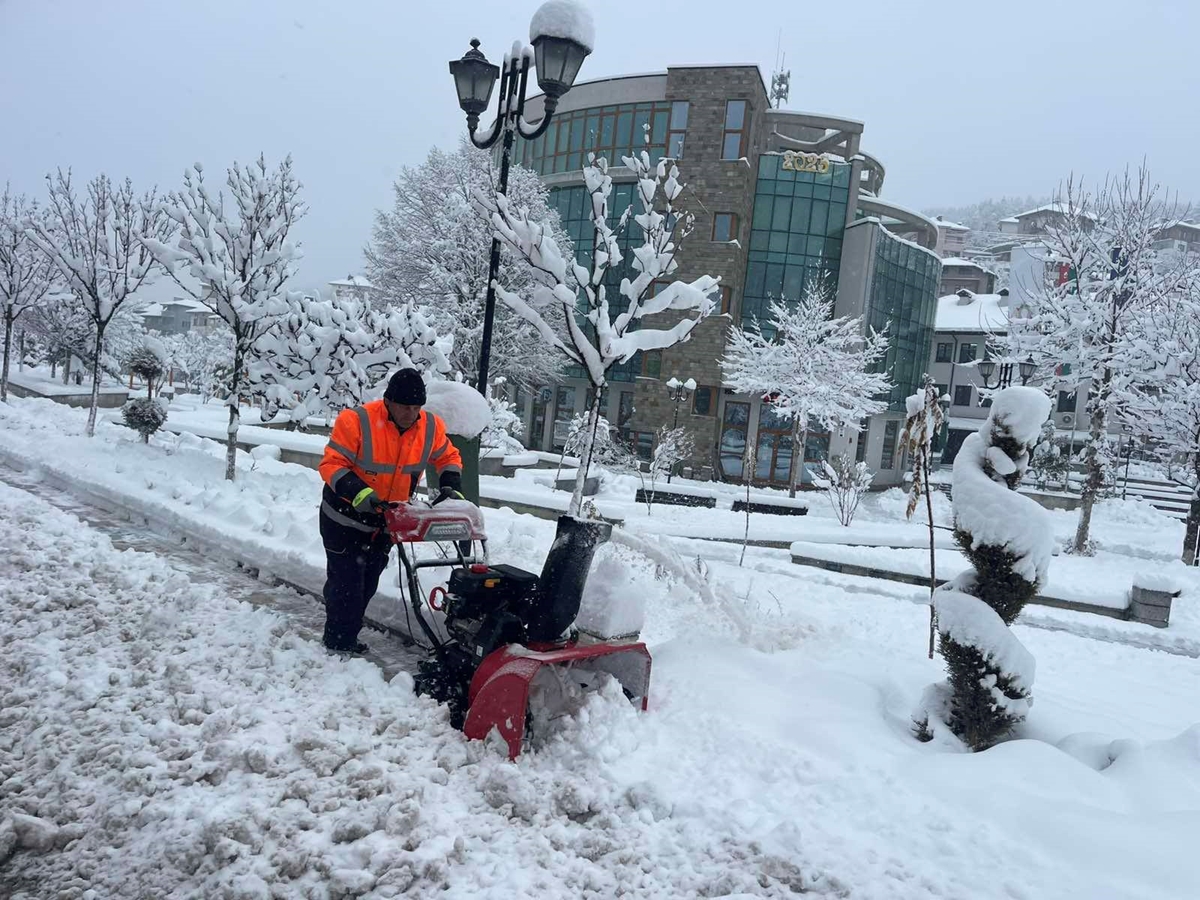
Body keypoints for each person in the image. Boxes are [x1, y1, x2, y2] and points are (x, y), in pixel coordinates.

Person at [317, 368, 463, 653]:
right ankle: (338, 642)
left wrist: (449, 484)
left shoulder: (429, 427)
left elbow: (449, 456)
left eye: (417, 407)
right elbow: (332, 465)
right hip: (343, 520)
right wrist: (360, 493)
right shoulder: (357, 421)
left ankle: (345, 632)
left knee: (367, 583)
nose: (412, 413)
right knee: (347, 584)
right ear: (388, 401)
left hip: (384, 523)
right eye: (405, 407)